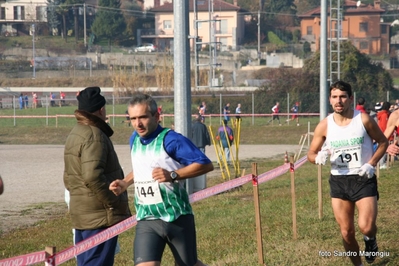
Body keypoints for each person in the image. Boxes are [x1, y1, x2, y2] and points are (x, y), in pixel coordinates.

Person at [109, 93, 214, 266]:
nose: (138, 124)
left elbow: (205, 164)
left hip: (176, 217)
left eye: (143, 117)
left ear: (156, 116)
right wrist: (125, 182)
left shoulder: (171, 140)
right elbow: (143, 167)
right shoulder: (134, 139)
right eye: (133, 118)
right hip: (147, 218)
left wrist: (174, 175)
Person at [307, 81, 388, 266]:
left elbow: (383, 142)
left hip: (363, 178)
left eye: (343, 97)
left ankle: (370, 240)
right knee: (346, 232)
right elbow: (310, 154)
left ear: (350, 99)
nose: (339, 101)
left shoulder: (363, 119)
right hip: (339, 180)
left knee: (366, 226)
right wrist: (317, 157)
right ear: (329, 100)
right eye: (335, 97)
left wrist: (371, 164)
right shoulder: (324, 125)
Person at [63, 86, 131, 266]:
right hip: (99, 217)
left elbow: (68, 178)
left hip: (83, 215)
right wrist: (111, 201)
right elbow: (92, 176)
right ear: (101, 109)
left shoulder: (75, 133)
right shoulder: (95, 135)